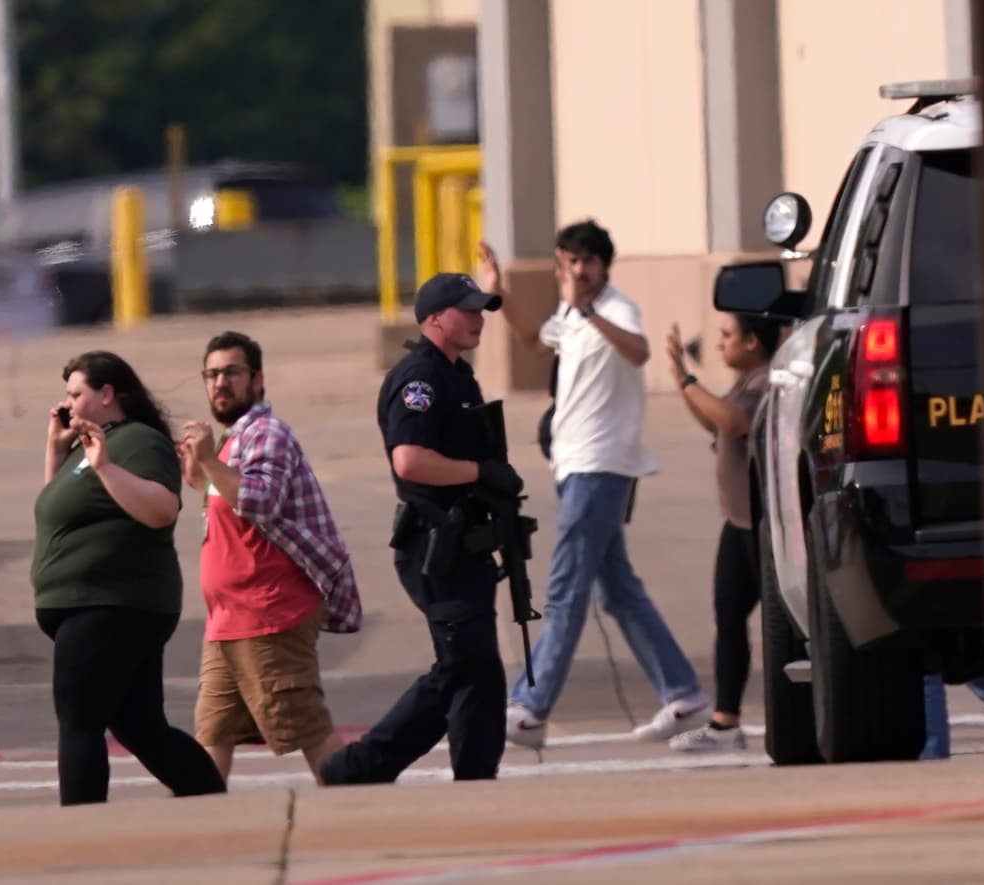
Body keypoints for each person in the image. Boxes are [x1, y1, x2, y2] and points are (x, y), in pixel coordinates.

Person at [483, 221, 710, 749]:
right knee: (618, 591)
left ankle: (530, 708)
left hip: (601, 465)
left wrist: (587, 310)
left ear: (604, 265)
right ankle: (682, 694)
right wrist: (500, 294)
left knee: (565, 591)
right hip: (576, 466)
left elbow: (639, 351)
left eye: (585, 261)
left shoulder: (614, 308)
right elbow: (533, 343)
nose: (577, 271)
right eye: (568, 262)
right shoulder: (570, 313)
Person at [319, 272, 524, 785]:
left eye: (481, 309)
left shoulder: (458, 375)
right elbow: (409, 460)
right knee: (464, 666)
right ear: (435, 318)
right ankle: (359, 767)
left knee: (474, 667)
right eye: (468, 309)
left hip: (466, 542)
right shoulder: (419, 380)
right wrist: (481, 473)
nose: (479, 319)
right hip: (435, 545)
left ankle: (474, 776)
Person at [31, 350, 226, 805]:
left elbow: (161, 510)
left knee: (79, 720)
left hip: (112, 604)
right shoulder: (93, 444)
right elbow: (56, 510)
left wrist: (103, 466)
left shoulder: (138, 442)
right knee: (139, 725)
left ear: (106, 394)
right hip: (99, 605)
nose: (68, 404)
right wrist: (56, 450)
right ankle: (208, 796)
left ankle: (83, 826)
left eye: (75, 394)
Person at [177, 331, 360, 786]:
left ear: (257, 380)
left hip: (269, 616)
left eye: (232, 373)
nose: (220, 383)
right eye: (212, 374)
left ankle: (357, 809)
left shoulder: (266, 433)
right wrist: (199, 476)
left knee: (312, 734)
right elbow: (230, 515)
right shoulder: (231, 441)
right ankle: (200, 836)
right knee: (211, 738)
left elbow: (260, 501)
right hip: (228, 620)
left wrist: (209, 464)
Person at [663, 312, 780, 752]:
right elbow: (716, 423)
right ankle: (724, 724)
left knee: (778, 624)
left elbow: (734, 423)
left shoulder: (765, 381)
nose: (720, 344)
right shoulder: (745, 381)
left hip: (764, 528)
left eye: (727, 336)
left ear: (752, 342)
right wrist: (680, 380)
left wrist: (690, 381)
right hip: (738, 523)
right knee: (728, 618)